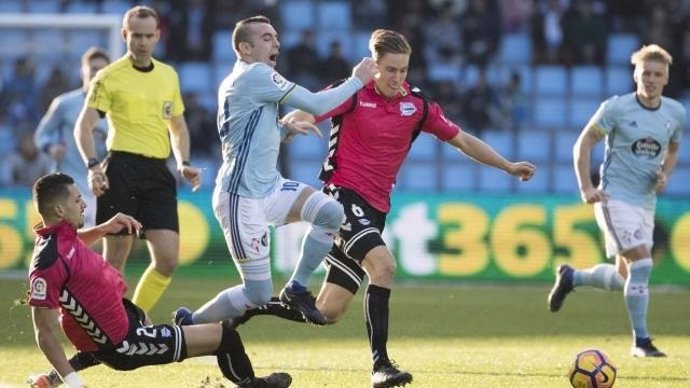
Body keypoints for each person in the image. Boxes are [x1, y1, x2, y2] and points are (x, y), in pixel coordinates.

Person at [230, 29, 537, 388]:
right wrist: (293, 122)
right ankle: (381, 365)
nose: (398, 78)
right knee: (384, 265)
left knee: (328, 311)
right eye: (390, 70)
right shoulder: (353, 92)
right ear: (372, 65)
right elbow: (312, 108)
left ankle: (246, 307)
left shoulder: (417, 105)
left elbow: (462, 139)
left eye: (404, 70)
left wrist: (507, 166)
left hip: (376, 209)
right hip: (341, 198)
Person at [172, 15, 376, 327]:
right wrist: (357, 80)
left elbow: (243, 133)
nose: (276, 43)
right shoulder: (256, 75)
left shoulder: (244, 79)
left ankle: (295, 288)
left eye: (276, 38)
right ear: (245, 48)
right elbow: (316, 105)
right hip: (241, 198)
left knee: (331, 213)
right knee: (257, 294)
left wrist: (281, 131)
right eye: (266, 38)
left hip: (269, 187)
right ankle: (191, 324)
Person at [26, 173, 292, 388]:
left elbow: (69, 248)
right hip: (126, 344)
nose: (83, 204)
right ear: (60, 209)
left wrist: (104, 228)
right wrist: (76, 384)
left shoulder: (59, 238)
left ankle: (51, 378)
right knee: (226, 338)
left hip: (122, 321)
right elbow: (44, 332)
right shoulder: (47, 262)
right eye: (77, 200)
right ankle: (252, 385)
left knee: (103, 344)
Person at [547, 44, 685, 358]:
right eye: (645, 73)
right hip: (613, 198)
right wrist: (587, 187)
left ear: (666, 78)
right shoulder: (616, 108)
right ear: (635, 75)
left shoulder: (675, 112)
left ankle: (571, 277)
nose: (650, 79)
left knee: (625, 276)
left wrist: (665, 174)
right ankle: (642, 342)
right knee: (643, 264)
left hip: (645, 202)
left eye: (657, 74)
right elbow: (582, 145)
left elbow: (673, 149)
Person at [74, 5, 202, 314]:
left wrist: (183, 160)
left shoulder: (168, 75)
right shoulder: (108, 77)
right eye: (136, 36)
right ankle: (107, 327)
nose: (142, 42)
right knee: (116, 259)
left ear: (158, 36)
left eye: (148, 36)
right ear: (124, 35)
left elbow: (178, 125)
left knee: (168, 259)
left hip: (158, 171)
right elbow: (84, 126)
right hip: (122, 169)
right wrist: (93, 166)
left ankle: (135, 319)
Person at [35, 47, 110, 227]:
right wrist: (50, 147)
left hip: (100, 184)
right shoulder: (65, 104)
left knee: (94, 244)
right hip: (67, 183)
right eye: (93, 68)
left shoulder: (115, 108)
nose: (97, 73)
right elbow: (41, 134)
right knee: (66, 239)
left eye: (102, 70)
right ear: (82, 71)